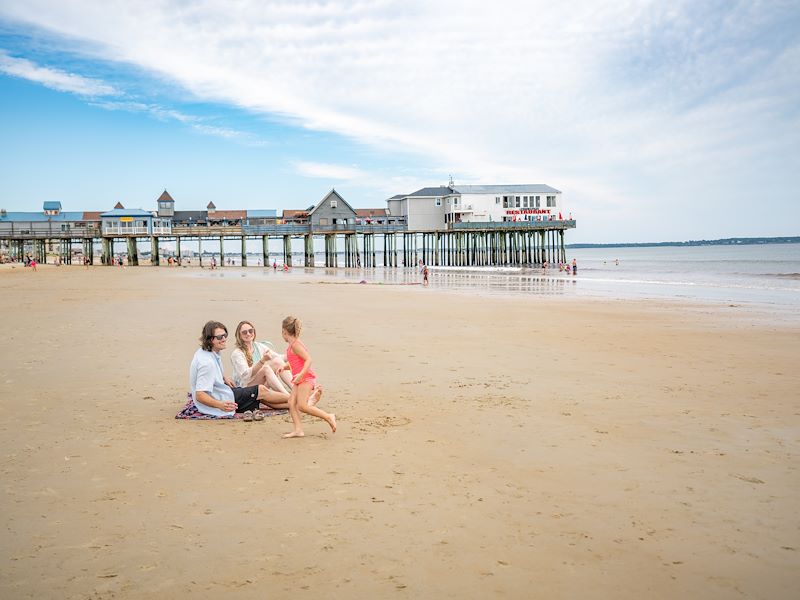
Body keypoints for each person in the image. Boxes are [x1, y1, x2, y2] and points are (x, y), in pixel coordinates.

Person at [189, 321, 289, 419]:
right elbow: (200, 394)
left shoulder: (209, 352)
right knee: (261, 390)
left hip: (224, 392)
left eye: (225, 335)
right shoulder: (207, 363)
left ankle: (295, 403)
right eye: (219, 337)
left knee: (260, 398)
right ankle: (296, 398)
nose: (224, 339)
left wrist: (223, 377)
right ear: (210, 340)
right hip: (223, 399)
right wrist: (220, 405)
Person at [280, 316, 336, 438]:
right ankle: (298, 430)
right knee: (291, 402)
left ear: (284, 331)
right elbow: (296, 363)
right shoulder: (291, 346)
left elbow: (308, 360)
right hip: (298, 379)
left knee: (302, 406)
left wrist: (300, 375)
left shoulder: (295, 345)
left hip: (305, 378)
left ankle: (328, 416)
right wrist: (285, 367)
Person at [231, 320, 302, 397]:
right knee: (265, 368)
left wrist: (295, 354)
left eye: (250, 331)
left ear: (254, 332)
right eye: (244, 332)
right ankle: (288, 396)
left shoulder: (258, 346)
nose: (248, 334)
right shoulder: (237, 353)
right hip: (245, 389)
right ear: (239, 335)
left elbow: (278, 357)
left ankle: (296, 390)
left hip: (259, 385)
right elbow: (245, 376)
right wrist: (262, 361)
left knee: (277, 362)